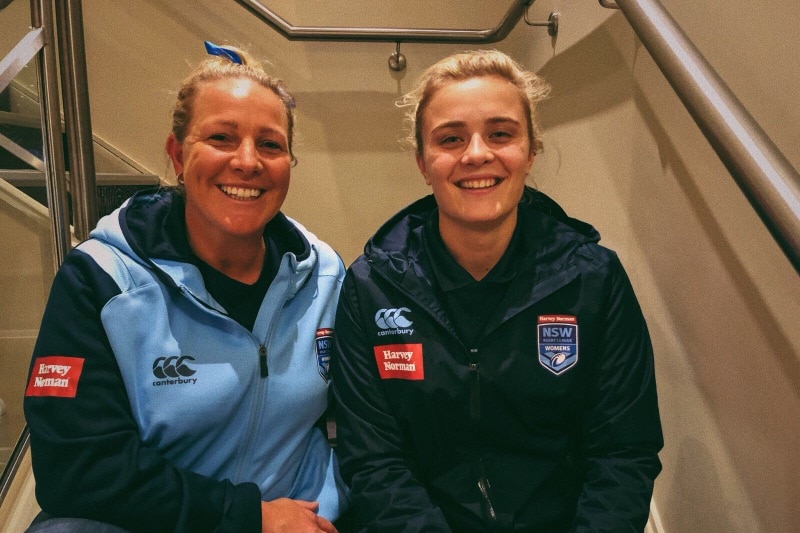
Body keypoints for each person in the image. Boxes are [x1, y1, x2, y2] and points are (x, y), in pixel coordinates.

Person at [331, 49, 663, 533]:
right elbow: (374, 462)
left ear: (530, 153)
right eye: (450, 138)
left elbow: (622, 452)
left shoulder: (594, 279)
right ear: (423, 163)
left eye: (501, 133)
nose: (477, 154)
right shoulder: (371, 287)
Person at [23, 42, 349, 533]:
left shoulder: (324, 275)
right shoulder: (101, 278)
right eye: (221, 137)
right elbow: (76, 469)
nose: (247, 162)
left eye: (270, 144)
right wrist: (246, 517)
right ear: (177, 155)